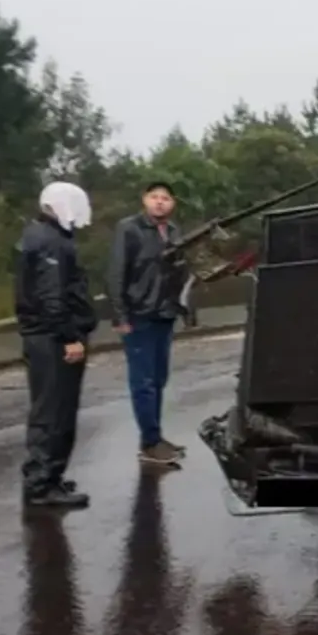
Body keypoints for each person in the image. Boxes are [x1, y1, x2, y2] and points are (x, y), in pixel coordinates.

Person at [16, 182, 98, 509]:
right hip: (52, 339)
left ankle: (49, 477)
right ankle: (40, 486)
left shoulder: (40, 235)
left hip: (45, 336)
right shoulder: (50, 241)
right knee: (53, 412)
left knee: (53, 410)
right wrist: (70, 337)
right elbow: (52, 298)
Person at [108, 180, 190, 467]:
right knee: (143, 382)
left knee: (158, 379)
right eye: (154, 197)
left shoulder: (175, 232)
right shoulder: (129, 229)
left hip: (164, 313)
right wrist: (119, 314)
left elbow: (180, 273)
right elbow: (117, 272)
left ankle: (155, 437)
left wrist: (182, 306)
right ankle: (150, 442)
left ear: (173, 203)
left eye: (165, 198)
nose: (159, 202)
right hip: (138, 314)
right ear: (144, 200)